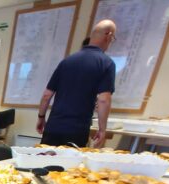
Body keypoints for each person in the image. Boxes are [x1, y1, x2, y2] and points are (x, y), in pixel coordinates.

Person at [36, 20, 116, 148]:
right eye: (113, 38)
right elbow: (103, 100)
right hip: (76, 129)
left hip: (53, 126)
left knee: (43, 162)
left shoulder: (66, 61)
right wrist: (102, 129)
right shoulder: (106, 63)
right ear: (109, 35)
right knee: (71, 167)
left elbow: (47, 95)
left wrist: (41, 117)